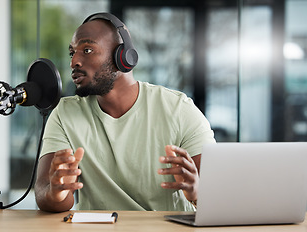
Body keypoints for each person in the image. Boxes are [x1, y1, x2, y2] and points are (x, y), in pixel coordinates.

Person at [34, 12, 216, 213]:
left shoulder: (179, 109)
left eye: (87, 50)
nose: (74, 62)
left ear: (123, 56)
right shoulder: (65, 113)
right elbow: (44, 192)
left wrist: (197, 193)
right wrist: (56, 192)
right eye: (72, 53)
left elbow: (220, 195)